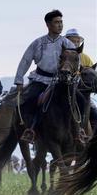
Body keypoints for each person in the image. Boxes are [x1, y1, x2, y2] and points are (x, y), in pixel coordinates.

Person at [14, 9, 75, 142]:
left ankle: (80, 131)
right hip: (41, 80)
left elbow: (76, 63)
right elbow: (25, 60)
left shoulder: (68, 44)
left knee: (80, 100)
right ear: (48, 24)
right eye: (56, 22)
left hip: (62, 81)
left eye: (61, 22)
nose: (60, 25)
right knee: (29, 100)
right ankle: (30, 129)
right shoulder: (38, 43)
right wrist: (19, 80)